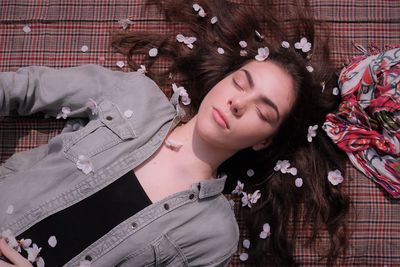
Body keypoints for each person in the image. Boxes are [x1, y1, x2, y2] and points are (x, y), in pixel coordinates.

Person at [0, 0, 349, 266]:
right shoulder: (133, 96)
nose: (238, 103)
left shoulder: (213, 235)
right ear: (222, 80)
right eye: (241, 82)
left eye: (262, 110)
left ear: (264, 140)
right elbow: (23, 89)